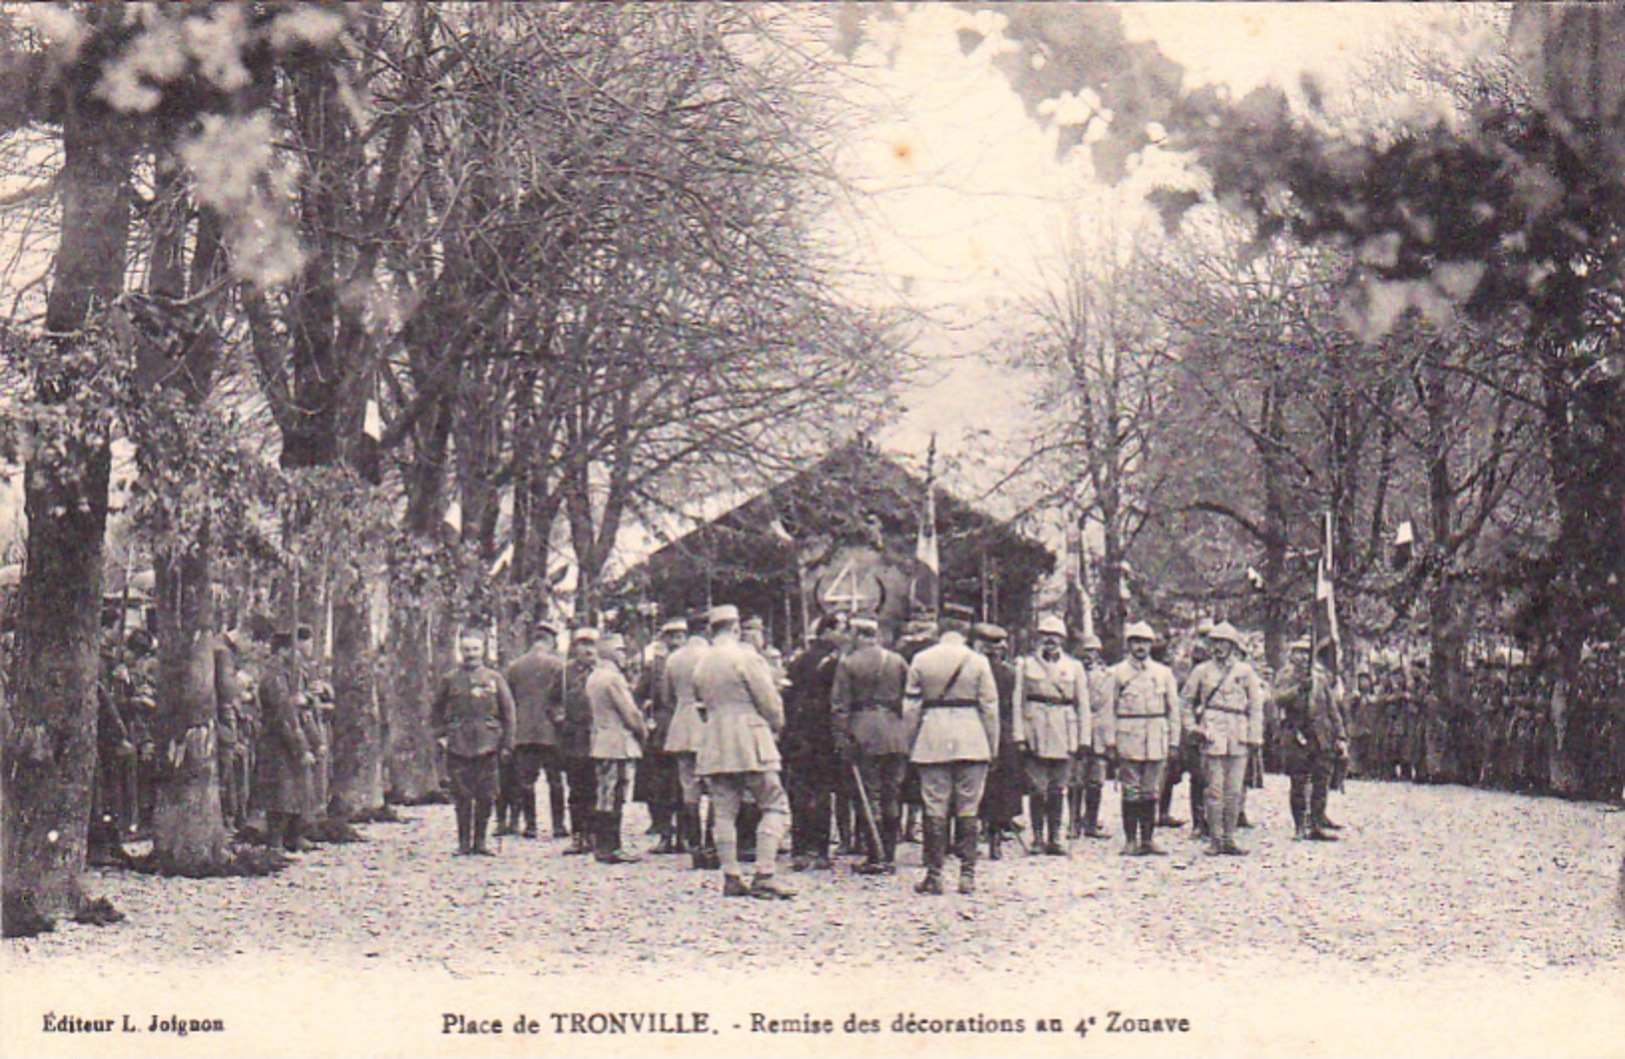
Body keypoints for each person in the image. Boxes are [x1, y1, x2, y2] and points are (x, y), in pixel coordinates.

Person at [693, 605, 795, 899]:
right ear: (736, 628)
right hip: (750, 736)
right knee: (774, 803)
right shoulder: (746, 657)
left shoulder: (703, 662)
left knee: (723, 811)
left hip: (715, 738)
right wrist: (777, 726)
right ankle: (765, 873)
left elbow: (700, 705)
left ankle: (731, 875)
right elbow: (768, 701)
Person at [902, 603, 999, 896]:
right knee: (969, 807)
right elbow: (990, 709)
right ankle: (967, 876)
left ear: (940, 630)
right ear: (966, 630)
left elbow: (910, 709)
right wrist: (991, 746)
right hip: (972, 737)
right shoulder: (978, 661)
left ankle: (935, 875)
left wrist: (911, 744)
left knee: (935, 807)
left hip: (932, 738)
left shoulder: (921, 659)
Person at [830, 615, 910, 875]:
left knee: (868, 794)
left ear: (859, 635)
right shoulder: (897, 661)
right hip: (895, 732)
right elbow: (907, 697)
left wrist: (841, 737)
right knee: (891, 794)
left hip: (863, 732)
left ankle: (874, 855)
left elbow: (840, 705)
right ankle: (889, 854)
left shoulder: (848, 663)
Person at [431, 629, 516, 856]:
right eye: (466, 649)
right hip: (458, 744)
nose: (471, 654)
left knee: (487, 795)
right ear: (460, 651)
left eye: (475, 649)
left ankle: (480, 842)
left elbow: (508, 713)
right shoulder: (449, 680)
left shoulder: (494, 679)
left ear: (483, 650)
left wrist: (507, 744)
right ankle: (463, 843)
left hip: (488, 744)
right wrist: (441, 735)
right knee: (461, 795)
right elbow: (436, 709)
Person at [1100, 621, 1182, 857]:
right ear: (1128, 645)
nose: (1141, 647)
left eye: (1145, 642)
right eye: (1136, 642)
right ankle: (1130, 840)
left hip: (1156, 735)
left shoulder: (1163, 673)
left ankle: (1148, 839)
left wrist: (1174, 741)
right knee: (1130, 790)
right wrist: (1110, 742)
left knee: (1151, 790)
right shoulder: (1116, 673)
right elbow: (1108, 709)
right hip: (1129, 734)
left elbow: (1173, 710)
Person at [1184, 621, 1265, 856]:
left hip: (1238, 732)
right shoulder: (1202, 671)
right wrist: (1192, 727)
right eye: (1215, 642)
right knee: (1214, 789)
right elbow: (1186, 702)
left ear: (1233, 646)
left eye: (1224, 643)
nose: (1219, 647)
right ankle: (1215, 838)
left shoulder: (1245, 672)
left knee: (1234, 790)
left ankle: (1230, 837)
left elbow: (1256, 706)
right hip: (1212, 731)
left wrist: (1254, 736)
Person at [1013, 614, 1089, 856]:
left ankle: (1055, 836)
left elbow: (1083, 705)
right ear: (1038, 638)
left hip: (1064, 730)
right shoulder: (1025, 665)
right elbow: (1018, 702)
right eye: (1045, 636)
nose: (1050, 640)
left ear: (1063, 640)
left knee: (1059, 787)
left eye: (1055, 636)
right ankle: (1037, 836)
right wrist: (1019, 735)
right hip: (1035, 729)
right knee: (1037, 788)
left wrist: (1083, 739)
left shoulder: (1074, 667)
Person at [782, 613, 845, 872]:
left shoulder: (798, 660)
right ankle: (819, 851)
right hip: (822, 733)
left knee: (798, 792)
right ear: (828, 631)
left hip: (797, 733)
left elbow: (788, 693)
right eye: (841, 629)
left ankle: (799, 849)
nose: (843, 635)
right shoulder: (836, 661)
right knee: (821, 792)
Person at [500, 619, 565, 839]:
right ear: (550, 640)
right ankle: (558, 825)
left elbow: (506, 699)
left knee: (526, 782)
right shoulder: (558, 665)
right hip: (551, 732)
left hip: (523, 732)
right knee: (555, 781)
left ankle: (530, 825)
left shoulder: (515, 666)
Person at [1276, 638, 1347, 842]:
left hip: (1320, 736)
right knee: (1298, 781)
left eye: (1306, 653)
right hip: (1296, 734)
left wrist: (1340, 736)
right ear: (1292, 656)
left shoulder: (1321, 679)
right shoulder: (1285, 676)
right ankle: (1299, 825)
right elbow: (1278, 698)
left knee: (1321, 781)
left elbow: (1332, 710)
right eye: (1298, 653)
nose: (1302, 657)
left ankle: (1316, 823)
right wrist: (1298, 689)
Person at [587, 632, 648, 864]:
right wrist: (642, 731)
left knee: (605, 793)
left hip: (601, 741)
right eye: (620, 649)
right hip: (618, 743)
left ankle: (603, 845)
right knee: (616, 795)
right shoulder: (613, 678)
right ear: (610, 652)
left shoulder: (594, 676)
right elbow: (630, 713)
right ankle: (611, 846)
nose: (624, 654)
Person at [257, 623, 317, 853]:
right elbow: (283, 710)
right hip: (276, 737)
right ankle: (274, 840)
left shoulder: (287, 674)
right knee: (279, 790)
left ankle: (293, 834)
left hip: (288, 734)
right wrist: (300, 745)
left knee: (296, 787)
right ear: (283, 651)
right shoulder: (273, 675)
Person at [662, 610, 715, 868]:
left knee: (689, 788)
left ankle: (694, 847)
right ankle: (712, 845)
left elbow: (665, 697)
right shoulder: (712, 655)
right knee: (717, 785)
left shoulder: (674, 658)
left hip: (682, 725)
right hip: (708, 725)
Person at [635, 617, 689, 853]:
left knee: (685, 783)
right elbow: (638, 695)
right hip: (662, 729)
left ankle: (686, 835)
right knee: (661, 784)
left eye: (681, 637)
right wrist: (646, 709)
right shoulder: (655, 666)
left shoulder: (691, 662)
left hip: (685, 727)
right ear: (665, 640)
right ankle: (665, 833)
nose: (677, 642)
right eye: (673, 637)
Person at [972, 623, 1022, 859]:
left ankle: (975, 838)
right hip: (1002, 730)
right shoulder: (1008, 672)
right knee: (999, 787)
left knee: (979, 786)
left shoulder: (973, 670)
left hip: (979, 728)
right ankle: (995, 840)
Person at [559, 628, 602, 856]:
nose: (587, 649)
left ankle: (595, 834)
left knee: (597, 787)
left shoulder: (605, 672)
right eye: (582, 644)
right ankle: (578, 835)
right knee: (577, 788)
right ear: (574, 648)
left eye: (591, 644)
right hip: (574, 739)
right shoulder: (565, 673)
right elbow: (552, 701)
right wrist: (559, 719)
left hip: (598, 736)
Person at [1172, 620, 1214, 837]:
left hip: (1214, 724)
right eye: (1202, 637)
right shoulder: (1182, 668)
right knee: (1197, 776)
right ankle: (1199, 821)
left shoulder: (1218, 666)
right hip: (1191, 728)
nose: (1203, 645)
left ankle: (1216, 819)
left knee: (1215, 776)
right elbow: (1181, 697)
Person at [1074, 633, 1113, 840]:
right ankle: (1073, 823)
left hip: (1099, 731)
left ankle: (1091, 822)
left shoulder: (1108, 674)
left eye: (1094, 650)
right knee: (1076, 779)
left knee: (1096, 780)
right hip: (1079, 731)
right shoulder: (1072, 672)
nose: (1090, 655)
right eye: (1086, 650)